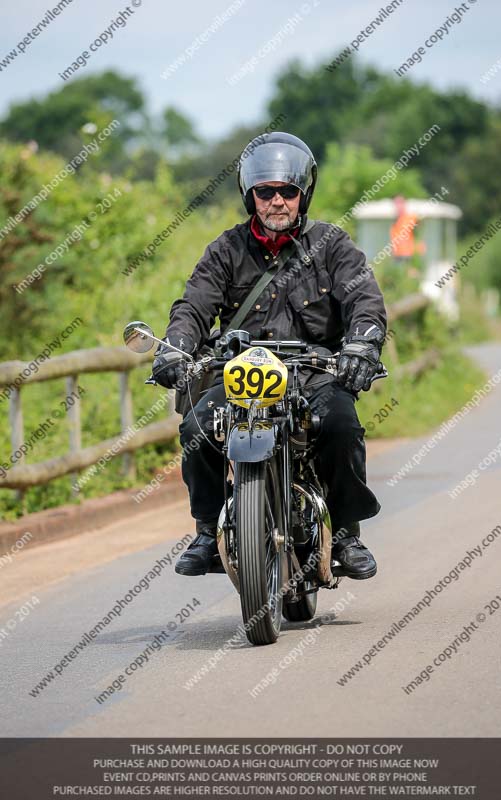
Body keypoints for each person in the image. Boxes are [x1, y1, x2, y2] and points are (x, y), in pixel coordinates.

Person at [152, 132, 387, 580]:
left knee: (341, 423)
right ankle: (206, 530)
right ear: (250, 195)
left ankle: (346, 535)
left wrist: (361, 344)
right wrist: (176, 348)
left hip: (312, 371)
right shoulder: (226, 250)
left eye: (287, 191)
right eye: (266, 191)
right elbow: (193, 306)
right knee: (197, 425)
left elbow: (365, 302)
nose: (277, 201)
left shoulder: (332, 246)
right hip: (239, 370)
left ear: (303, 194)